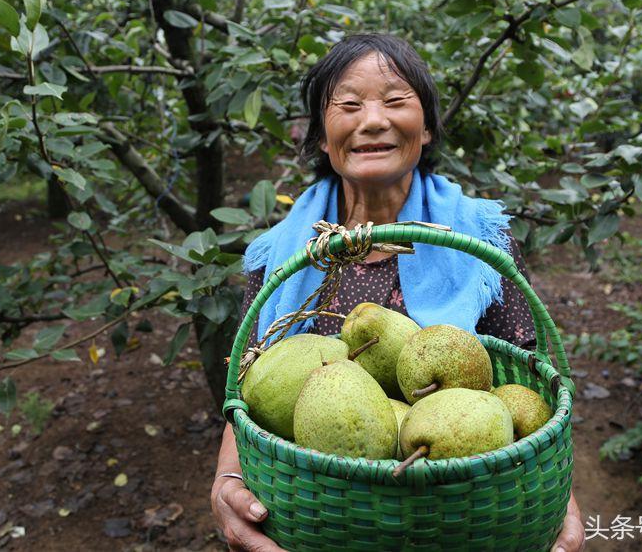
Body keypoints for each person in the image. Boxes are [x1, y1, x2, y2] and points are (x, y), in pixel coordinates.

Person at [211, 34, 585, 552]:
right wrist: (227, 478)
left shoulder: (479, 239)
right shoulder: (280, 253)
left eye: (394, 101)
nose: (371, 120)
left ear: (426, 126)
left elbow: (533, 384)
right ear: (322, 135)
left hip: (461, 517)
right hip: (324, 518)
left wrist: (556, 495)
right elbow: (248, 388)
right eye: (347, 104)